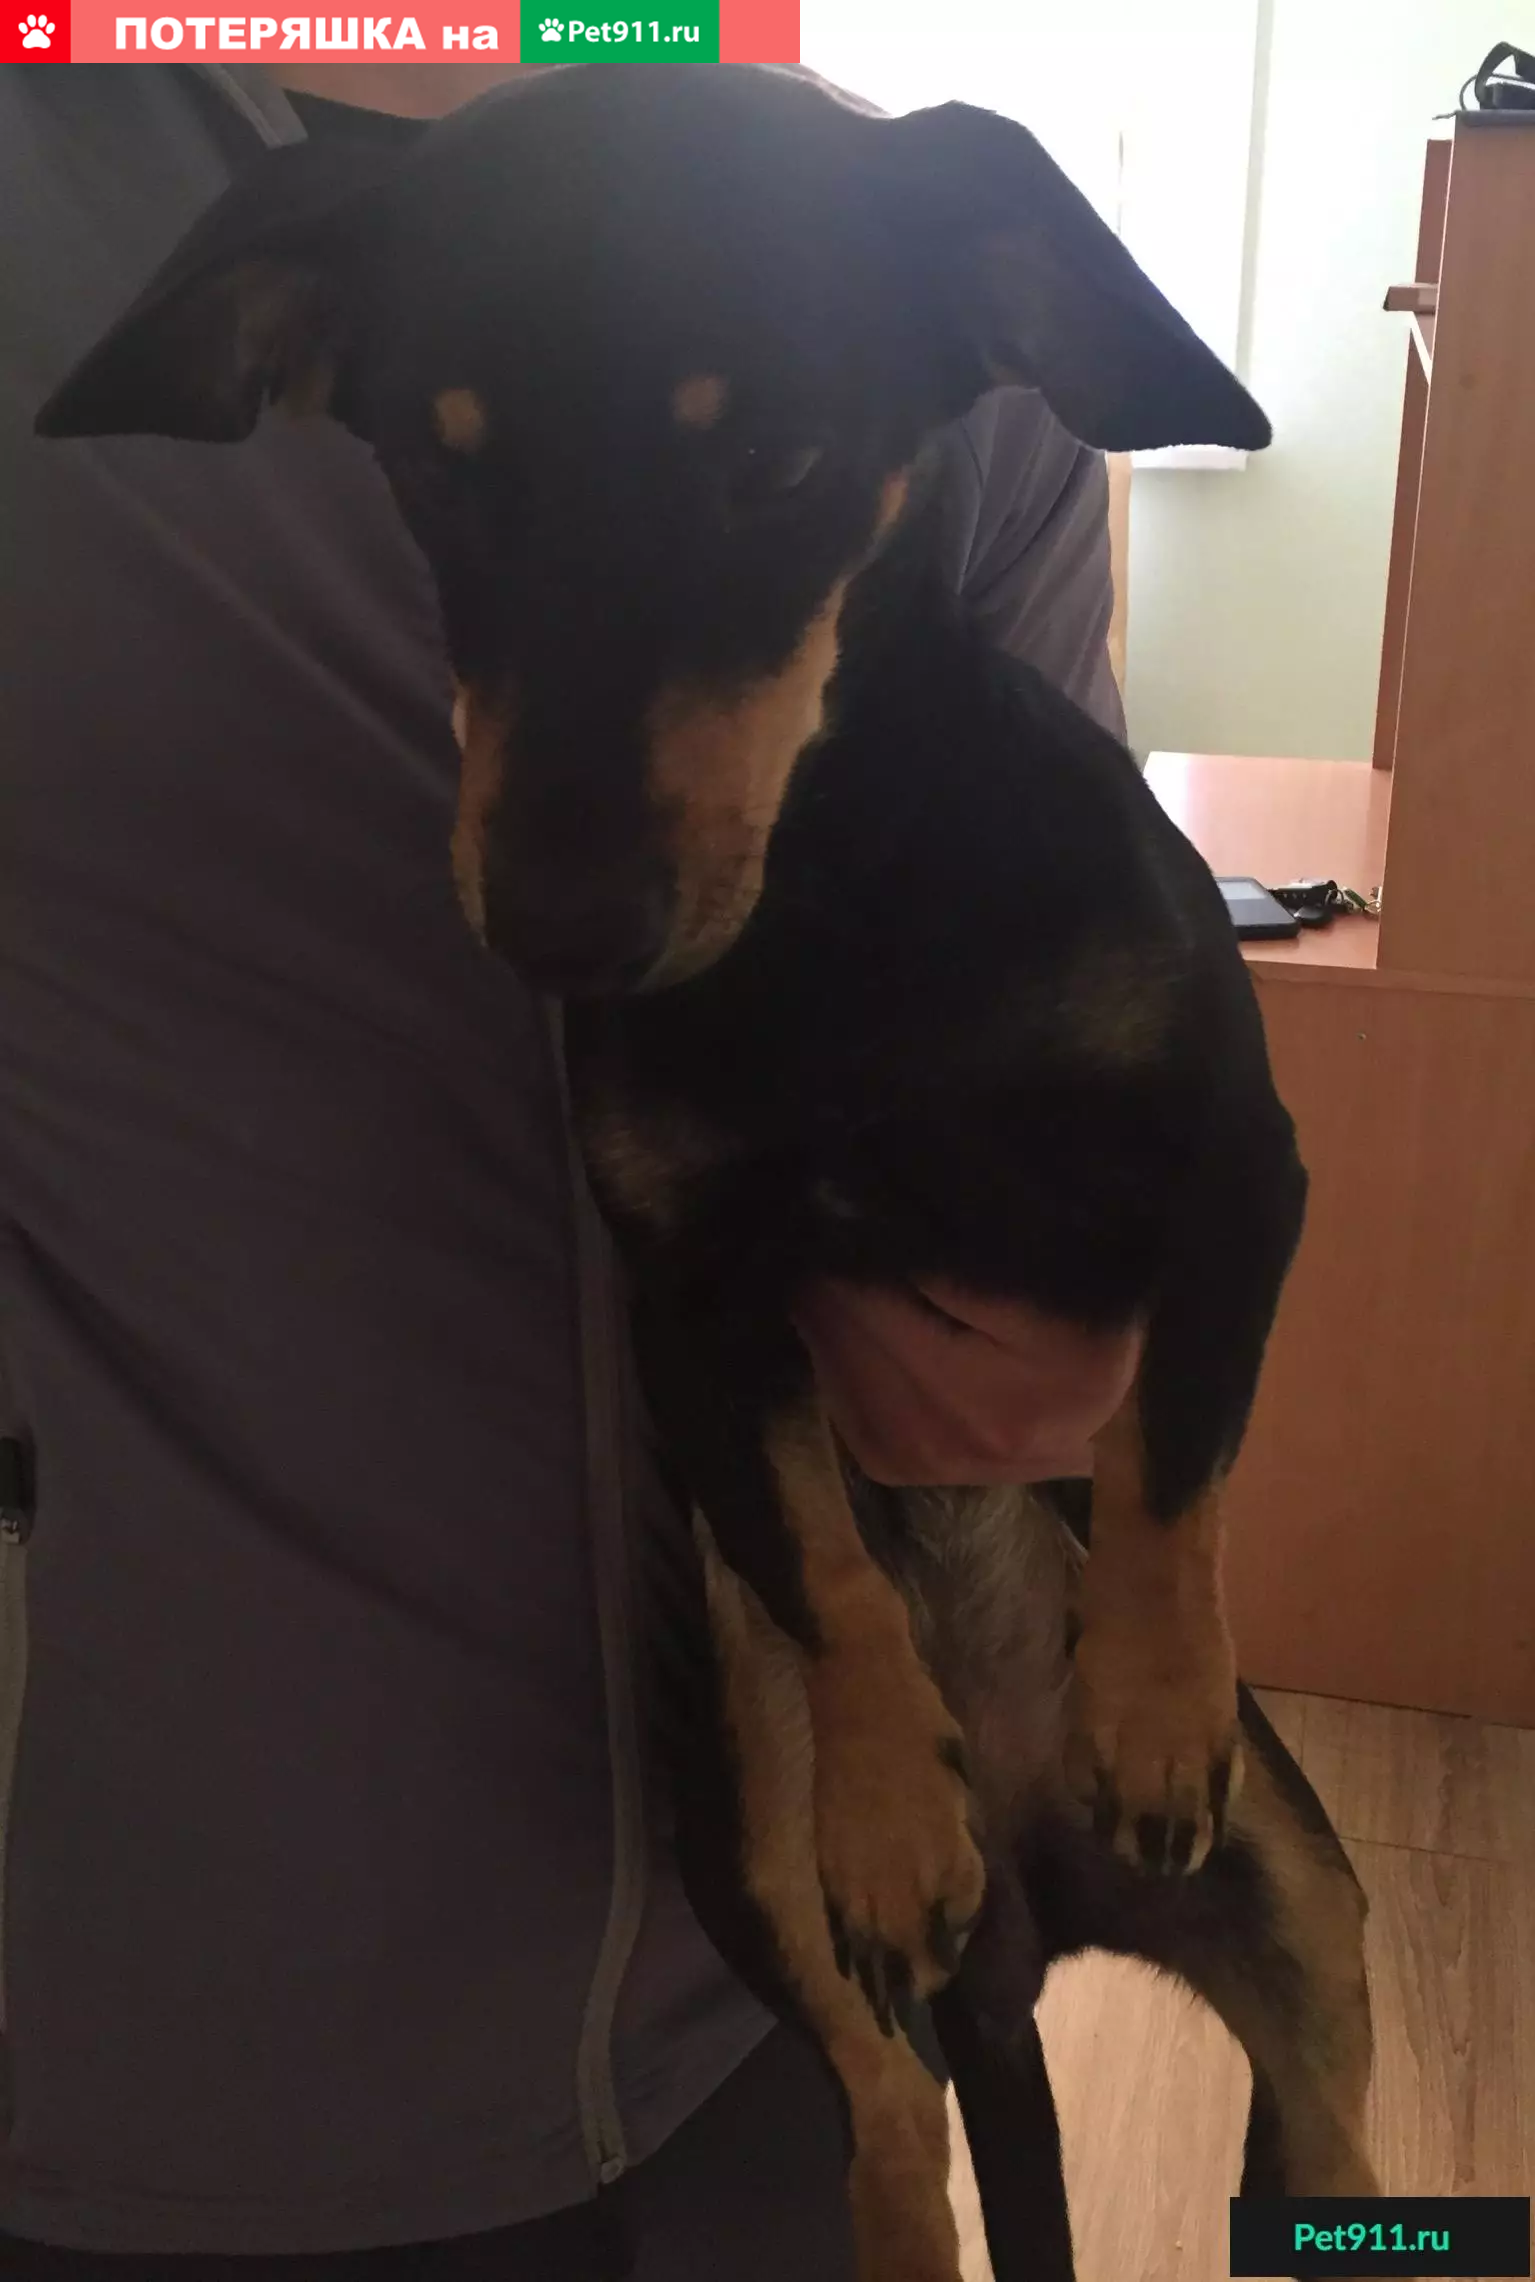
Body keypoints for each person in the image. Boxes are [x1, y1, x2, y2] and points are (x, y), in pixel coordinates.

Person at [0, 56, 1137, 2279]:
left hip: (792, 1988)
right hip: (141, 2024)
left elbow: (1071, 1052)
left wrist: (1071, 1305)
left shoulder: (903, 257)